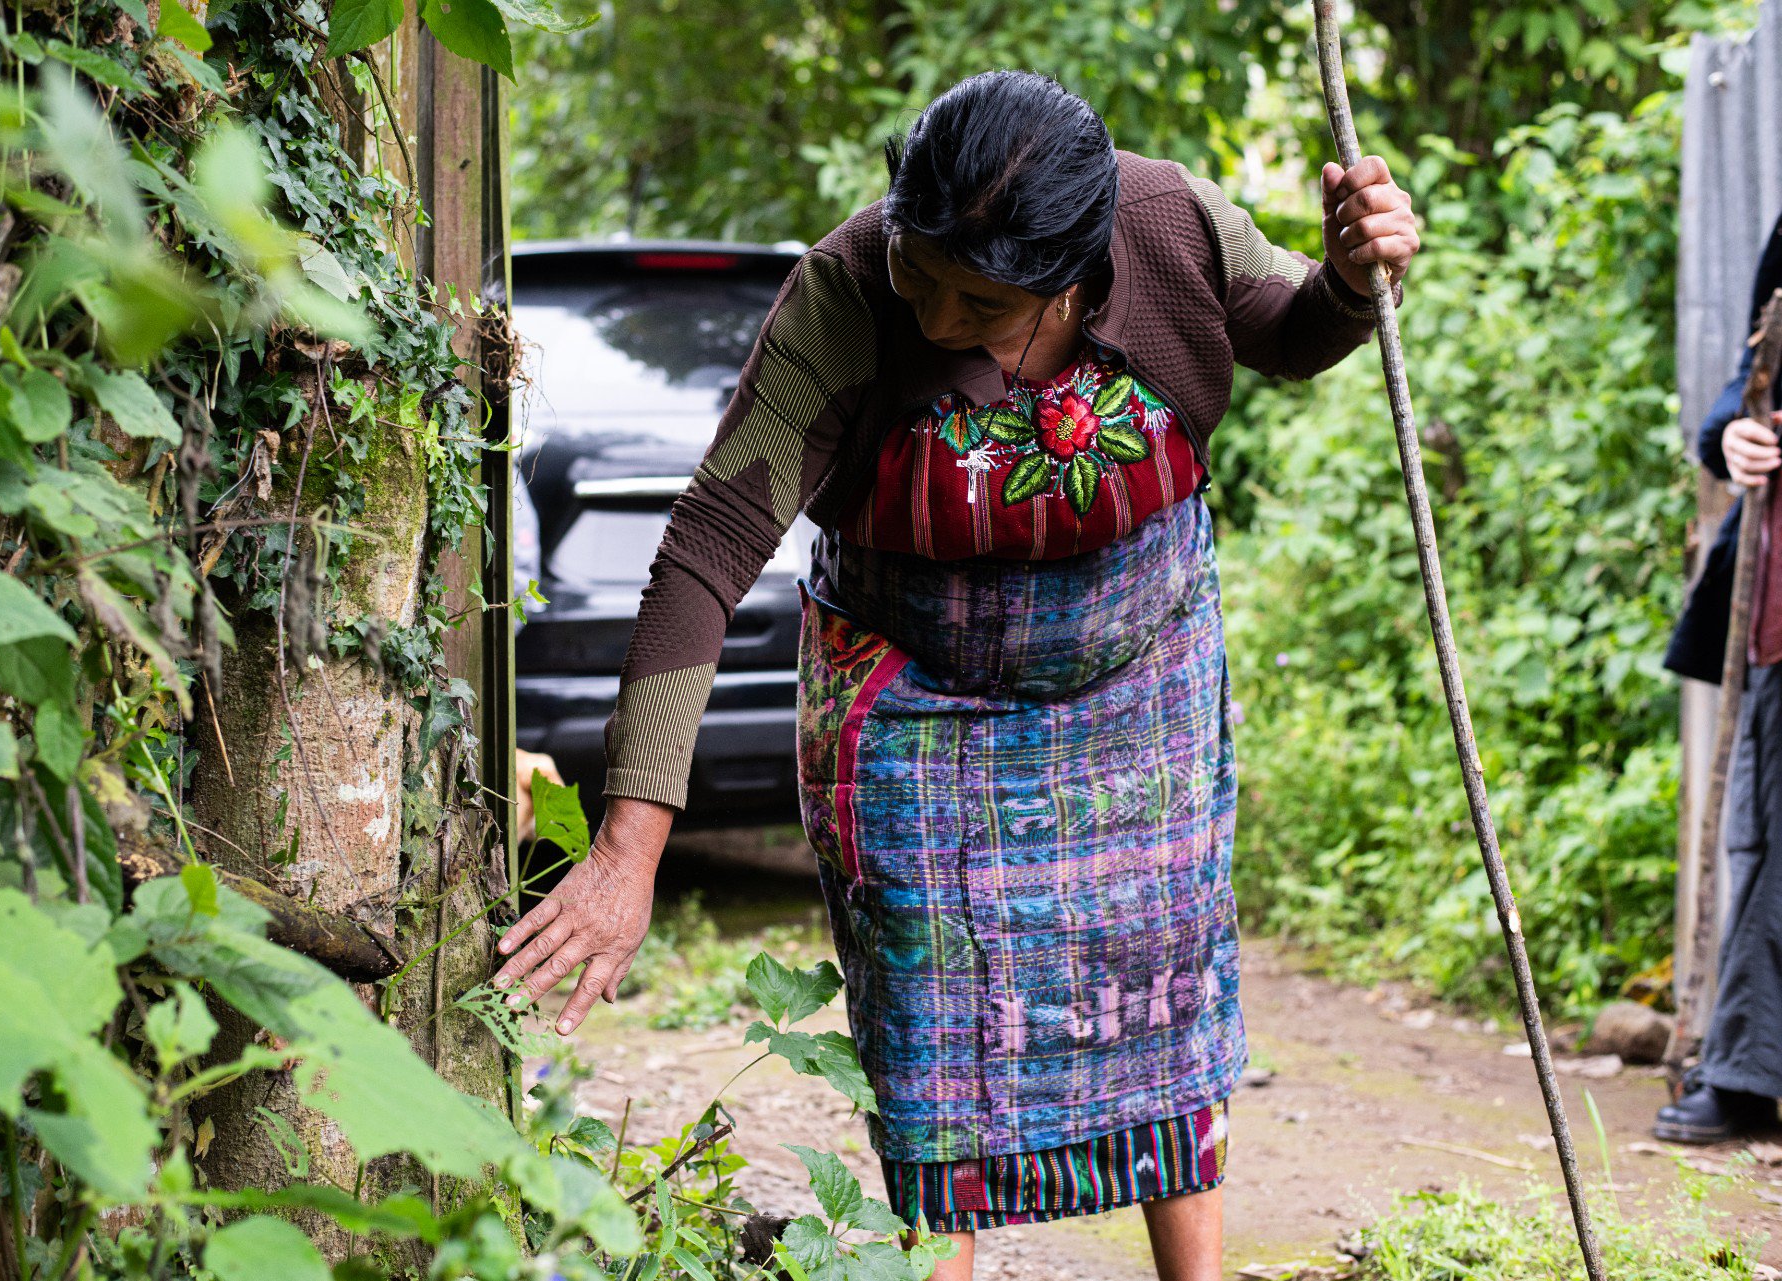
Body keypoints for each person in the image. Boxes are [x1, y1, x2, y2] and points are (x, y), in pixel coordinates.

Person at [495, 71, 1418, 1280]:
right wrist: (629, 846)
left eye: (975, 298)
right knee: (936, 1032)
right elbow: (709, 553)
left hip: (1141, 684)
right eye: (919, 267)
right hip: (917, 699)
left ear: (1072, 270)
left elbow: (1294, 334)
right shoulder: (843, 290)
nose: (929, 310)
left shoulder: (1169, 222)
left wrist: (1353, 278)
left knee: (1163, 990)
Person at [1658, 211, 1782, 1145]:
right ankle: (1743, 1071)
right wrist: (1737, 433)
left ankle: (1742, 1075)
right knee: (1756, 839)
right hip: (1770, 614)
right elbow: (1747, 391)